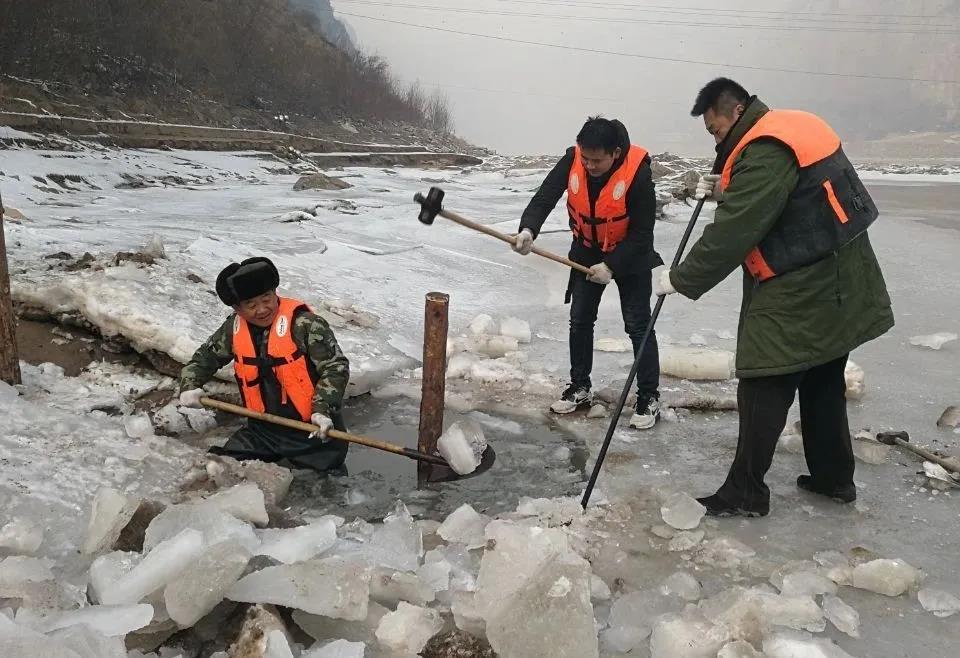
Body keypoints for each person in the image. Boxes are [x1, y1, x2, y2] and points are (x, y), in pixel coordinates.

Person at [655, 77, 894, 517]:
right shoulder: (786, 126)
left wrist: (682, 278)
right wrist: (725, 189)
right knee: (823, 375)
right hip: (839, 272)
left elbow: (736, 230)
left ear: (736, 111)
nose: (715, 139)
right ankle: (834, 479)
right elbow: (787, 193)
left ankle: (746, 491)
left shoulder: (765, 149)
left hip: (805, 282)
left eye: (715, 129)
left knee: (765, 376)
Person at [514, 116, 663, 429]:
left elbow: (643, 233)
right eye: (586, 158)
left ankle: (649, 396)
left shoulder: (638, 173)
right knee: (580, 319)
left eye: (597, 160)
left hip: (631, 256)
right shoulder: (573, 159)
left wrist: (611, 265)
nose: (589, 165)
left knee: (638, 324)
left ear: (615, 153)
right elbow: (545, 196)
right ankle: (580, 386)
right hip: (586, 249)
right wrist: (528, 229)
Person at [178, 257, 351, 472]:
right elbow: (204, 358)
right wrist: (189, 385)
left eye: (266, 298)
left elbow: (335, 367)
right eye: (251, 305)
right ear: (237, 308)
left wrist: (322, 410)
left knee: (320, 484)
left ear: (274, 292)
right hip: (261, 430)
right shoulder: (233, 329)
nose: (262, 309)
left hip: (313, 432)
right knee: (221, 468)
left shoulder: (306, 324)